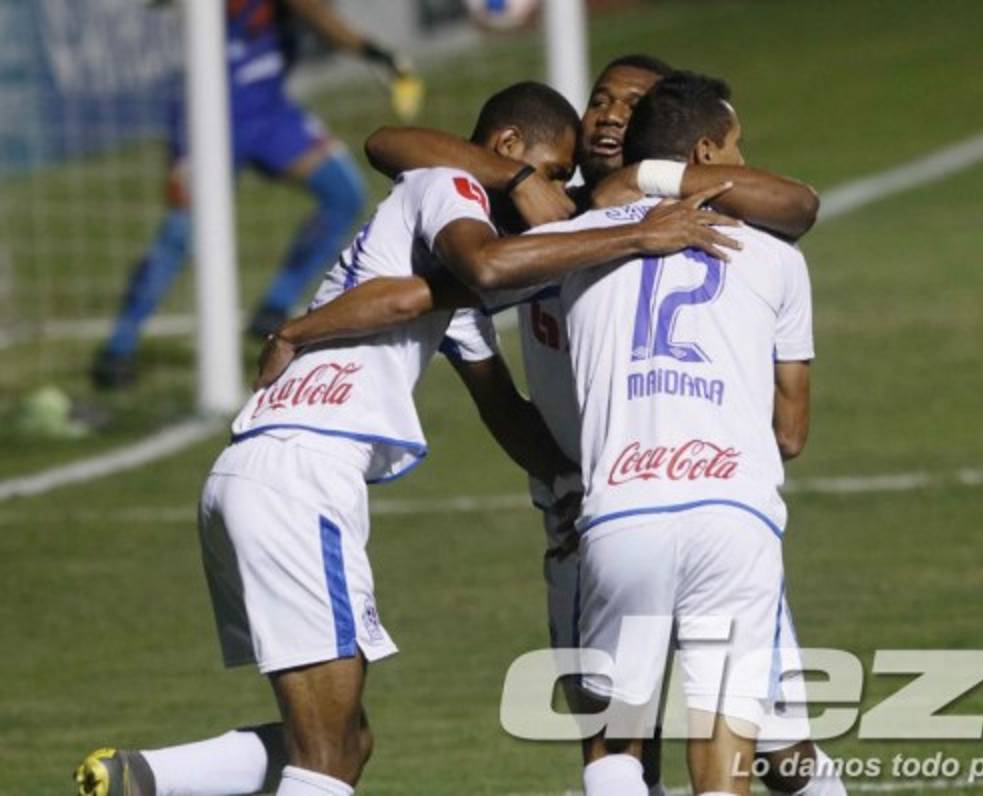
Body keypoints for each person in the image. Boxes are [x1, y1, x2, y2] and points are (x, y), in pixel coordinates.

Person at [73, 81, 738, 796]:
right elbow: (472, 265)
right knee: (326, 760)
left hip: (254, 474)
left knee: (345, 742)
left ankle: (141, 779)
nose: (548, 195)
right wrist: (638, 233)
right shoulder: (449, 185)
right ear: (509, 149)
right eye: (550, 173)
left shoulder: (433, 263)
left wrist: (575, 486)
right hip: (303, 475)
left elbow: (495, 398)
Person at [350, 55, 836, 795]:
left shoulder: (617, 225)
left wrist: (647, 183)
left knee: (779, 753)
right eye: (600, 100)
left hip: (651, 502)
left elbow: (796, 203)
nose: (610, 114)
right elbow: (391, 146)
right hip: (609, 513)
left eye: (631, 105)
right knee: (624, 743)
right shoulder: (558, 222)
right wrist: (516, 181)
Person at [538, 70, 846, 796]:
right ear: (707, 153)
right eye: (738, 148)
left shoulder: (572, 246)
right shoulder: (777, 258)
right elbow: (791, 432)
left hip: (620, 514)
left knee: (616, 746)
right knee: (728, 751)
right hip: (735, 514)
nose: (747, 163)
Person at [90, 0, 407, 389]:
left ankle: (274, 308)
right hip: (208, 113)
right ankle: (117, 348)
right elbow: (316, 14)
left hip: (270, 114)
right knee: (180, 234)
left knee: (343, 194)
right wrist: (373, 51)